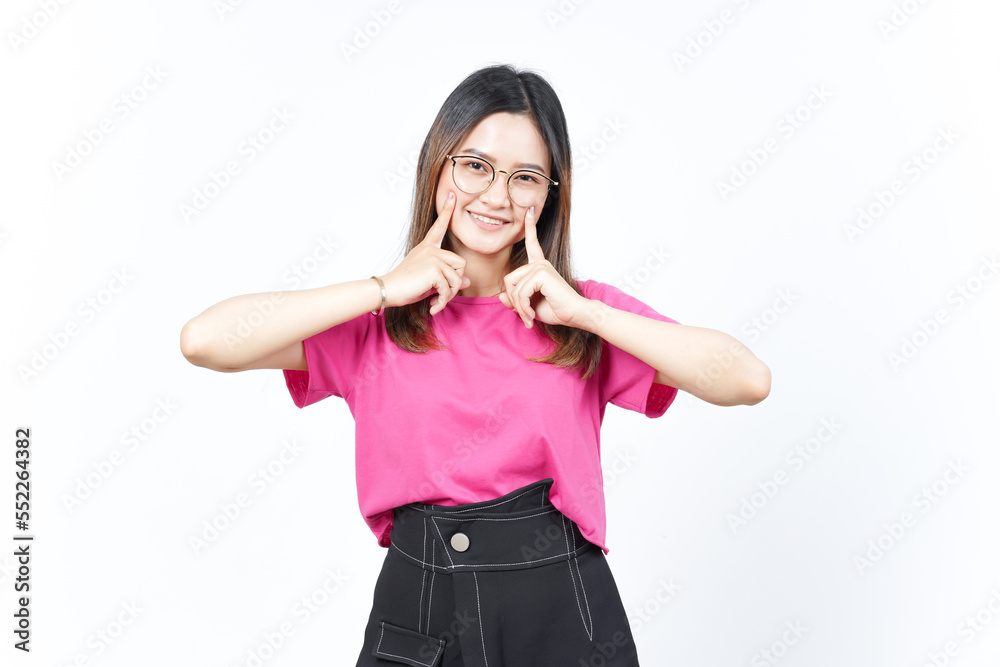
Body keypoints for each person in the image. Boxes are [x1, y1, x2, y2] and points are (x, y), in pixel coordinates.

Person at [180, 63, 770, 666]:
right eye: (475, 165)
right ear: (438, 165)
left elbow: (747, 379)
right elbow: (205, 341)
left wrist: (588, 315)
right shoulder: (376, 322)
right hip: (418, 617)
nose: (496, 196)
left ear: (549, 194)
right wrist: (384, 287)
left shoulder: (580, 316)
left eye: (525, 177)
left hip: (563, 618)